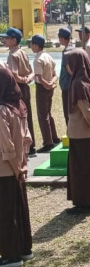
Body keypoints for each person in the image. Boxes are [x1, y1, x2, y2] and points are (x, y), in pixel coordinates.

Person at [0, 68, 33, 267]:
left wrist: (16, 167)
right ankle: (24, 249)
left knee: (5, 214)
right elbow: (27, 139)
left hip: (5, 170)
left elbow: (6, 147)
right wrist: (23, 166)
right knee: (19, 210)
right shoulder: (19, 105)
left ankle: (11, 256)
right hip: (18, 168)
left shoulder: (2, 110)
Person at [65, 49, 90, 214]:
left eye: (68, 63)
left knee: (81, 169)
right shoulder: (89, 80)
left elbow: (86, 109)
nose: (67, 67)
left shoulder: (78, 84)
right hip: (87, 133)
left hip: (80, 133)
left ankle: (85, 202)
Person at [1, 28, 36, 156]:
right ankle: (32, 146)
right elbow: (31, 71)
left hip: (17, 88)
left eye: (7, 38)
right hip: (25, 87)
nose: (4, 40)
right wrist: (27, 79)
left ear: (14, 40)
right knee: (28, 115)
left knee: (18, 116)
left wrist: (21, 79)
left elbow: (14, 75)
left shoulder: (13, 54)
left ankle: (24, 146)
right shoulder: (23, 52)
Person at [31, 35, 60, 152]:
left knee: (43, 115)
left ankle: (48, 142)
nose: (31, 47)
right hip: (50, 86)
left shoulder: (38, 59)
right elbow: (55, 74)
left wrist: (45, 84)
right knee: (48, 113)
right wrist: (51, 82)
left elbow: (38, 77)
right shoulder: (48, 56)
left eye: (32, 44)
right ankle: (54, 137)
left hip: (42, 88)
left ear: (36, 45)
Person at [58, 28, 74, 126]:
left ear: (62, 38)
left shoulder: (66, 52)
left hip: (67, 86)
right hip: (71, 85)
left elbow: (69, 69)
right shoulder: (73, 49)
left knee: (68, 112)